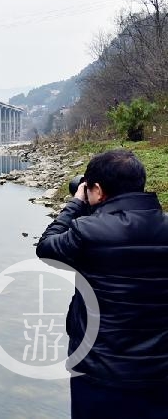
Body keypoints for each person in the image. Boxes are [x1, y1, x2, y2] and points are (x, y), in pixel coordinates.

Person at [36, 149, 168, 419]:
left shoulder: (87, 231)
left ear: (97, 189)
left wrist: (75, 205)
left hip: (99, 371)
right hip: (160, 372)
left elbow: (47, 247)